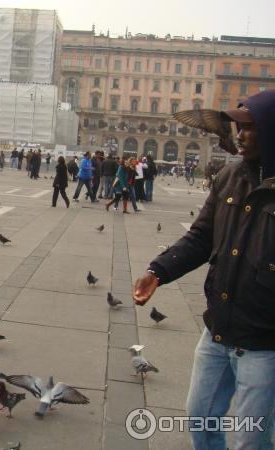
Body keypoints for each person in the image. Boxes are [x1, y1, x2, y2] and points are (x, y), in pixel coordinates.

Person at [133, 89, 275, 450]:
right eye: (236, 128)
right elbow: (201, 237)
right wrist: (159, 271)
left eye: (248, 128)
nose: (238, 136)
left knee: (250, 440)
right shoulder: (229, 177)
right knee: (200, 420)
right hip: (217, 332)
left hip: (263, 344)